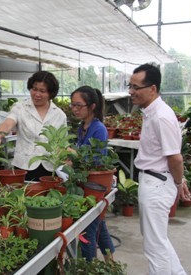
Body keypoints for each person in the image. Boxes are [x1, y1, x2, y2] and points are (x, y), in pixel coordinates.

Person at [129, 63, 190, 275]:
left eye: (136, 87)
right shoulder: (151, 112)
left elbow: (175, 158)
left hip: (157, 184)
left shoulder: (161, 116)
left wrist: (178, 182)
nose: (131, 92)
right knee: (158, 241)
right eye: (130, 86)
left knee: (154, 248)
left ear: (152, 89)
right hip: (154, 181)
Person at [0, 71, 67, 181]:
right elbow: (8, 122)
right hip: (24, 165)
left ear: (51, 93)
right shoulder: (20, 108)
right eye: (34, 89)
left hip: (50, 167)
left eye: (42, 91)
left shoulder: (59, 114)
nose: (37, 94)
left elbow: (63, 142)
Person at [70, 85, 115, 262]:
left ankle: (88, 267)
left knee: (88, 228)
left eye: (78, 105)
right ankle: (110, 264)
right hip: (85, 185)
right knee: (99, 225)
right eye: (72, 105)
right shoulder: (82, 127)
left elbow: (96, 161)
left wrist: (73, 155)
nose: (74, 109)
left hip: (94, 187)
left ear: (92, 106)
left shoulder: (99, 129)